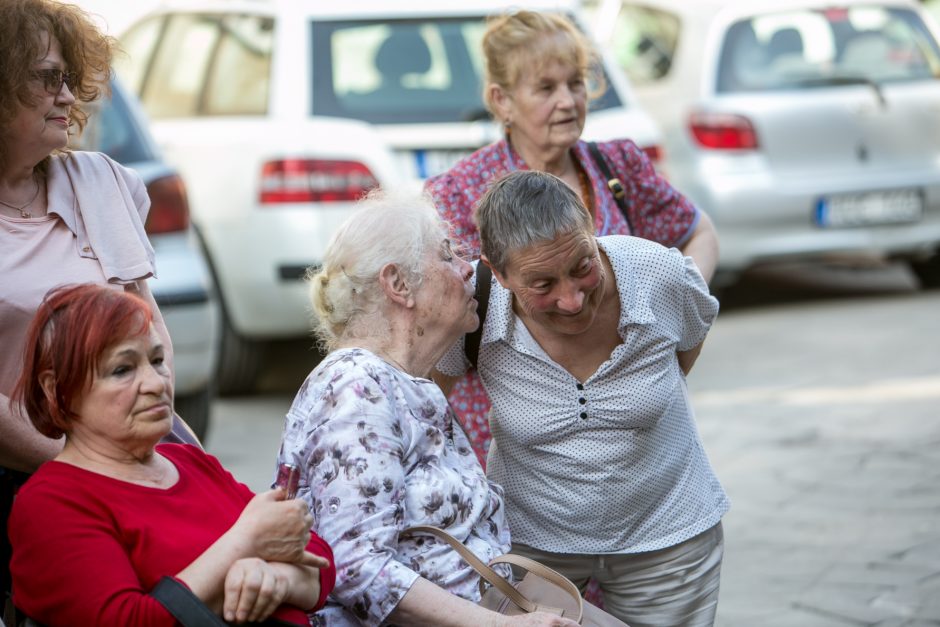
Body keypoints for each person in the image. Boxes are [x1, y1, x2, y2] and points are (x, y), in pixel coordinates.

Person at [425, 10, 720, 467]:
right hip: (507, 448)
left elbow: (698, 233)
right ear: (502, 100)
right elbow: (438, 319)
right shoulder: (461, 194)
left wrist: (675, 312)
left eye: (575, 83)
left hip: (630, 441)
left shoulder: (618, 166)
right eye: (546, 88)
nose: (567, 101)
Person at [435, 171, 729, 626]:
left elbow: (687, 343)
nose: (571, 300)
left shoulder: (657, 274)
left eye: (582, 267)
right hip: (531, 545)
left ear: (592, 229)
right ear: (497, 271)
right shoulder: (473, 300)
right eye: (542, 284)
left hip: (670, 533)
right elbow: (430, 402)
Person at [275, 190, 579, 627]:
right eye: (448, 254)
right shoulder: (356, 387)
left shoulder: (400, 383)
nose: (467, 269)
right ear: (398, 284)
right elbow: (357, 569)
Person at [0, 0, 200, 614]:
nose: (67, 96)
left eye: (68, 78)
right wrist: (84, 466)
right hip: (23, 472)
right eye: (46, 78)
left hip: (139, 451)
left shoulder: (100, 180)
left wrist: (153, 446)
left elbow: (148, 325)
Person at [8, 284, 336, 625]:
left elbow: (318, 560)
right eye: (122, 369)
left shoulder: (190, 462)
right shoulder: (52, 502)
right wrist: (243, 544)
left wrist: (272, 580)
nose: (155, 383)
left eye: (157, 360)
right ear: (57, 390)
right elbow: (128, 621)